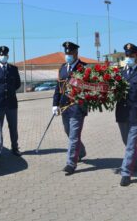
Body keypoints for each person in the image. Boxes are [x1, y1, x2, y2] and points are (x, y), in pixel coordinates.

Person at [115, 43, 137, 186]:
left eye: (130, 55)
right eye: (126, 55)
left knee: (130, 144)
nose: (127, 58)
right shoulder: (121, 73)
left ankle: (126, 173)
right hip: (122, 113)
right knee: (126, 141)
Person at [52, 41, 87, 175]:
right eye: (66, 53)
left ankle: (71, 163)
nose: (68, 55)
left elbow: (88, 87)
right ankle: (81, 151)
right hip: (64, 107)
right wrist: (55, 104)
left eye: (70, 53)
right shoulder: (62, 68)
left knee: (73, 136)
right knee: (69, 132)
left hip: (77, 107)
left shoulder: (83, 68)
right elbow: (58, 87)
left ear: (76, 53)